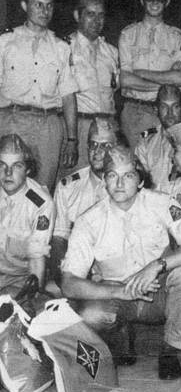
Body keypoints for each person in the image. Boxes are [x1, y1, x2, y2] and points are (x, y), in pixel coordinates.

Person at [61, 146, 181, 379]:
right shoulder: (88, 221)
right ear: (104, 181)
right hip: (118, 296)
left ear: (140, 181)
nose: (119, 183)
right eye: (112, 175)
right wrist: (121, 291)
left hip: (158, 292)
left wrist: (156, 266)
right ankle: (121, 342)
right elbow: (69, 283)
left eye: (128, 175)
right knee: (91, 315)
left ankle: (170, 349)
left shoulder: (160, 203)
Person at [0, 0, 79, 189]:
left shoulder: (61, 47)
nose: (45, 11)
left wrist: (72, 140)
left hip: (48, 128)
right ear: (25, 6)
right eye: (38, 4)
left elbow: (69, 96)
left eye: (49, 5)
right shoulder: (5, 43)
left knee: (43, 192)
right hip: (12, 122)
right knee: (7, 189)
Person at [52, 119, 127, 285]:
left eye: (106, 146)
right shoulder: (68, 187)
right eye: (93, 144)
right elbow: (59, 238)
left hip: (118, 273)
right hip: (78, 272)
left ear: (117, 148)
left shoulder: (128, 185)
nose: (97, 151)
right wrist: (65, 275)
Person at [118, 0, 181, 147]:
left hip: (167, 114)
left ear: (167, 2)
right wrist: (166, 86)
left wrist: (142, 74)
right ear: (142, 0)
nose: (155, 3)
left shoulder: (177, 36)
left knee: (167, 165)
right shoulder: (128, 35)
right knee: (136, 166)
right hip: (135, 111)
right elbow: (125, 80)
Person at [66, 0, 119, 172]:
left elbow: (115, 92)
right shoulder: (65, 49)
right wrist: (71, 139)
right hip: (81, 127)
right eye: (90, 14)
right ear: (77, 15)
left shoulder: (111, 52)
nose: (97, 21)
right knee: (77, 183)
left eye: (101, 15)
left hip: (109, 126)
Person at [0, 134, 54, 297]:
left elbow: (37, 257)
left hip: (19, 278)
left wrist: (32, 295)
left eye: (17, 166)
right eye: (2, 165)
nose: (8, 173)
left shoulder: (41, 204)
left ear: (28, 169)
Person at [135, 85, 181, 188]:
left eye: (175, 107)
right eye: (164, 107)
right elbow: (140, 179)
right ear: (156, 110)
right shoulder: (146, 141)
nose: (170, 113)